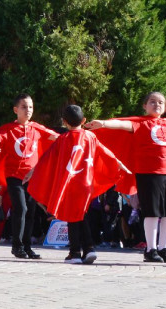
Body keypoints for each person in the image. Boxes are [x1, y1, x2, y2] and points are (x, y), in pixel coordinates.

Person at [86, 91, 166, 264]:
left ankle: (164, 248)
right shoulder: (140, 124)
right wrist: (103, 123)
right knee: (152, 212)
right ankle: (151, 249)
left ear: (165, 107)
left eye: (161, 102)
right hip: (148, 174)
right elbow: (121, 124)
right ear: (144, 105)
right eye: (152, 101)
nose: (157, 104)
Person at [26, 104, 130, 265]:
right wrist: (120, 164)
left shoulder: (62, 139)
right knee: (81, 215)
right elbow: (105, 153)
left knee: (72, 218)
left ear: (64, 122)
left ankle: (75, 252)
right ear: (84, 120)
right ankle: (88, 250)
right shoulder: (91, 137)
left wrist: (32, 173)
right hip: (86, 184)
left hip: (69, 183)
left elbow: (46, 160)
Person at [0, 95, 60, 260]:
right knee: (21, 209)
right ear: (16, 110)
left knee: (31, 211)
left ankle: (27, 246)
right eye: (24, 107)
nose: (28, 110)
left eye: (31, 107)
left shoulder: (37, 128)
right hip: (14, 176)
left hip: (32, 176)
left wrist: (75, 136)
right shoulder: (9, 129)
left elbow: (57, 138)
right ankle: (17, 246)